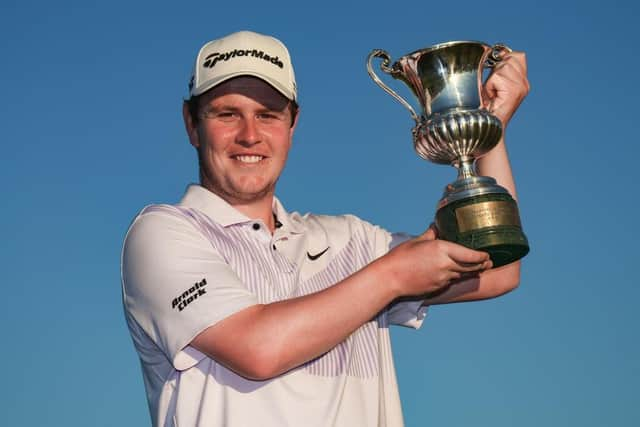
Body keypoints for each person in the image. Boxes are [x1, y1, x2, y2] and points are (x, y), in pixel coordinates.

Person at [121, 30, 529, 427]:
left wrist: (487, 129)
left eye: (268, 115)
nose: (249, 135)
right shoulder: (162, 233)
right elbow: (257, 349)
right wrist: (391, 277)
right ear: (192, 124)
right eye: (227, 114)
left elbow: (498, 268)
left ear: (293, 124)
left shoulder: (352, 240)